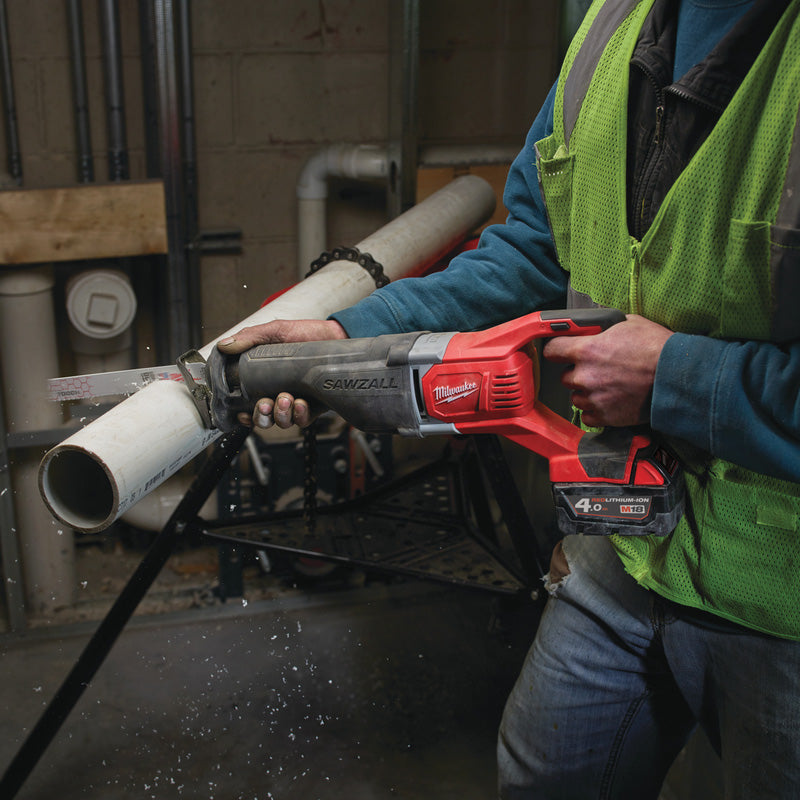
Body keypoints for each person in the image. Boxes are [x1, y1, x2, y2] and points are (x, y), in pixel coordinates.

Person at [217, 0, 800, 796]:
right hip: (624, 538)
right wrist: (344, 337)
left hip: (781, 597)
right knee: (544, 774)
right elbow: (530, 254)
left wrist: (675, 379)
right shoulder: (610, 26)